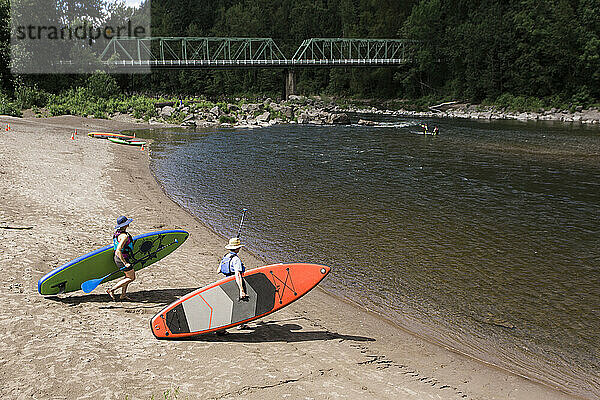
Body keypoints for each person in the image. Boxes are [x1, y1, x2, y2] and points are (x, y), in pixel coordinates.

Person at [107, 216, 136, 301]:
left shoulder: (117, 233)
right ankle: (111, 290)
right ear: (126, 225)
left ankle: (123, 295)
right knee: (131, 277)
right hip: (121, 259)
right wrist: (125, 263)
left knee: (127, 276)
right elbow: (118, 250)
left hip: (122, 258)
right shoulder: (124, 236)